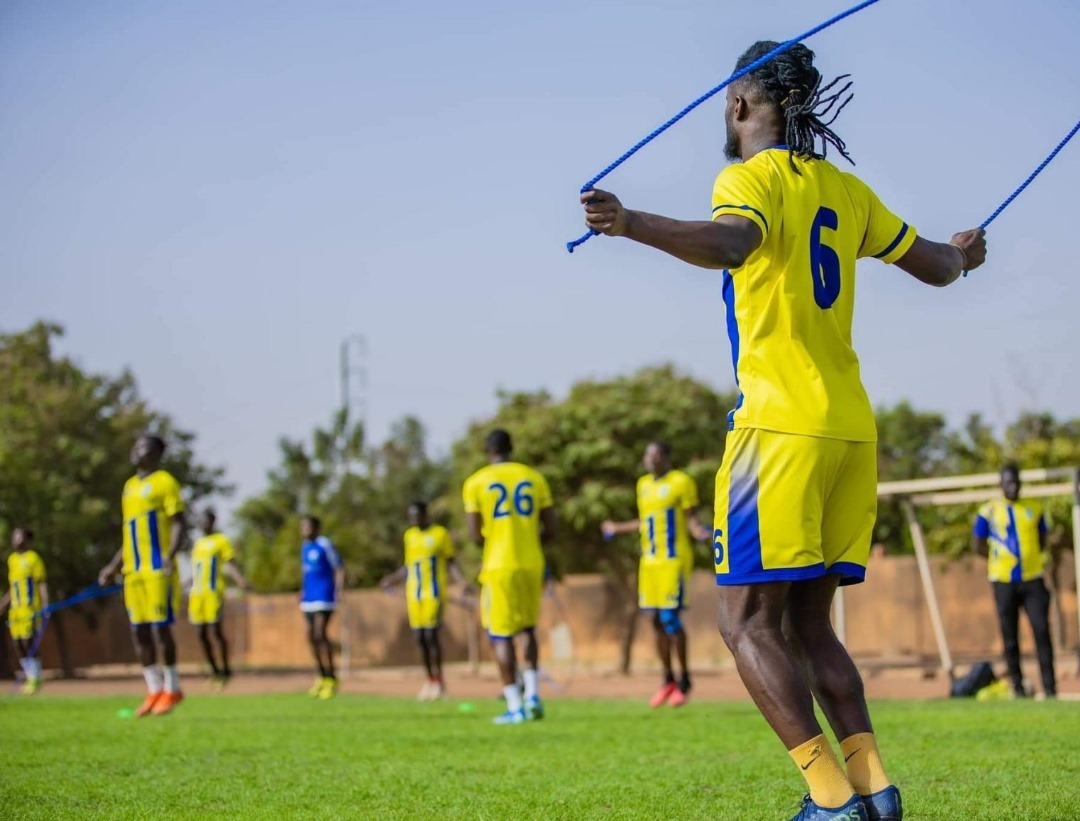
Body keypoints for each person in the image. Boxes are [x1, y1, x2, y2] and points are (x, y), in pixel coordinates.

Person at [579, 40, 986, 821]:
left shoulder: (747, 179)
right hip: (850, 431)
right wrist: (966, 256)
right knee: (807, 622)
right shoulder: (846, 189)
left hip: (777, 429)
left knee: (745, 621)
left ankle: (828, 799)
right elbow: (935, 264)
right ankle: (875, 789)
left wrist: (630, 223)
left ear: (740, 104)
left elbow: (735, 241)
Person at [601, 442, 708, 708]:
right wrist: (617, 527)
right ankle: (667, 680)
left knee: (670, 618)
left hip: (673, 559)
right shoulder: (643, 485)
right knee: (656, 621)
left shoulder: (681, 482)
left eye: (655, 455)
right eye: (647, 455)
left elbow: (691, 519)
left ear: (666, 457)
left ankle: (685, 680)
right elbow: (645, 520)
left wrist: (702, 533)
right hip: (649, 562)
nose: (650, 459)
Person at [463, 429, 557, 724]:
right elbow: (551, 529)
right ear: (512, 447)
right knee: (527, 629)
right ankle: (532, 694)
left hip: (499, 565)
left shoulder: (476, 482)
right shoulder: (534, 477)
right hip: (531, 563)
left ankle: (514, 705)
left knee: (500, 634)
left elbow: (474, 535)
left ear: (487, 450)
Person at [99, 435, 187, 717]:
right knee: (139, 632)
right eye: (134, 445)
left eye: (142, 447)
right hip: (132, 572)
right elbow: (130, 535)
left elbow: (179, 523)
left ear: (157, 454)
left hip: (156, 571)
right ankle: (153, 689)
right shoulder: (129, 487)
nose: (135, 451)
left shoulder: (165, 482)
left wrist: (170, 557)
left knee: (161, 629)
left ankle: (172, 689)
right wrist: (113, 566)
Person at [972, 464, 1056, 699]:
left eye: (1016, 482)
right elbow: (977, 544)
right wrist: (999, 560)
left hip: (1033, 579)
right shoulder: (988, 511)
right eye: (1008, 482)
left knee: (1041, 630)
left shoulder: (1034, 508)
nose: (1013, 487)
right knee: (1010, 636)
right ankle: (1017, 688)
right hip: (1003, 581)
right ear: (1001, 484)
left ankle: (1050, 688)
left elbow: (1043, 539)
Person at [380, 501, 463, 701]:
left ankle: (440, 682)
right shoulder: (410, 536)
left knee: (431, 636)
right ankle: (429, 680)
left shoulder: (439, 534)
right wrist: (392, 579)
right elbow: (408, 566)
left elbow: (451, 561)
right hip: (413, 594)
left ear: (426, 515)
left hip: (433, 593)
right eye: (410, 516)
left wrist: (461, 581)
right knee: (419, 639)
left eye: (416, 515)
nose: (413, 519)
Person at [189, 508, 250, 689]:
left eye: (205, 520)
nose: (202, 524)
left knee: (216, 632)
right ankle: (214, 671)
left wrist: (241, 581)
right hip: (196, 594)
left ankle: (225, 670)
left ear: (212, 521)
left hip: (213, 592)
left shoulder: (221, 541)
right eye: (200, 520)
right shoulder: (198, 544)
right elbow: (196, 570)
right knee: (201, 634)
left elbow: (230, 564)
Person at [299, 515, 345, 700]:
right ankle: (321, 676)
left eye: (307, 527)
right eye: (302, 527)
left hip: (325, 595)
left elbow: (340, 567)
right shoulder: (304, 547)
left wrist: (339, 589)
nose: (304, 530)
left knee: (320, 634)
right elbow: (306, 572)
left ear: (316, 528)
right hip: (308, 597)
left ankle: (331, 677)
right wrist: (302, 590)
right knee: (311, 637)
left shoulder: (324, 544)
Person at [0, 527, 49, 694]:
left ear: (27, 539)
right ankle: (30, 677)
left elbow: (41, 582)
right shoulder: (12, 560)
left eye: (18, 536)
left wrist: (46, 604)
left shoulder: (33, 558)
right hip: (16, 609)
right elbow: (13, 587)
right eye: (13, 536)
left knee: (29, 642)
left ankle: (35, 678)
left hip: (30, 607)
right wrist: (4, 604)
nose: (15, 539)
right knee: (18, 643)